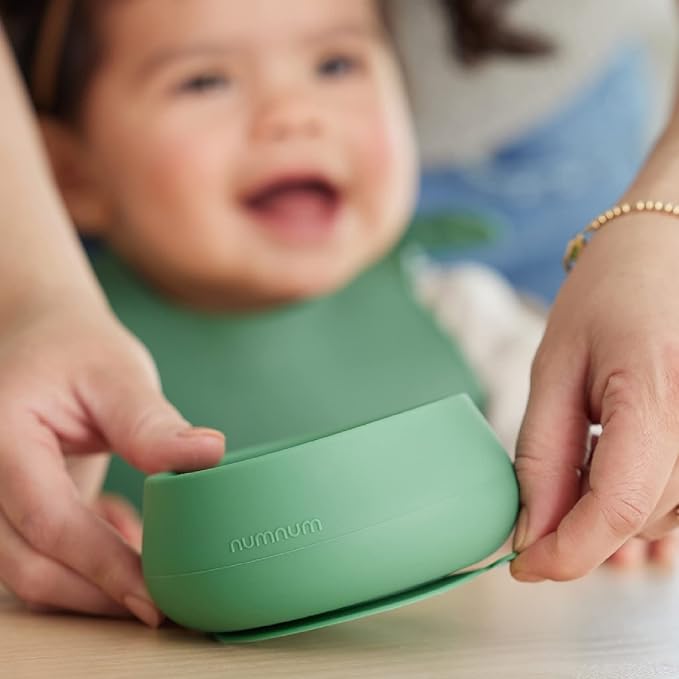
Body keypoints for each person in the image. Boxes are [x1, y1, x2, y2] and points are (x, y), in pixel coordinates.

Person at [0, 0, 676, 625]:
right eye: (205, 81)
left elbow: (598, 445)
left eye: (335, 65)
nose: (293, 114)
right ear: (68, 173)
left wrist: (618, 505)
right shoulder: (44, 374)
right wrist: (77, 535)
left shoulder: (469, 314)